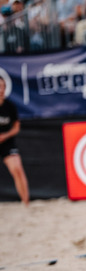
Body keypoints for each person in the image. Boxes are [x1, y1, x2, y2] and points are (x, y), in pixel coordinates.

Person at [0, 76, 29, 205]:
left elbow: (16, 127)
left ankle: (25, 203)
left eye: (3, 87)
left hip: (6, 142)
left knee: (17, 169)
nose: (1, 90)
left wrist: (5, 136)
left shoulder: (9, 106)